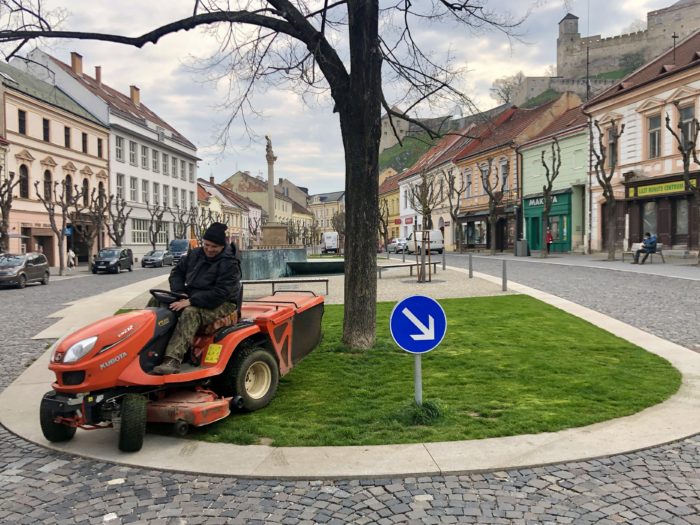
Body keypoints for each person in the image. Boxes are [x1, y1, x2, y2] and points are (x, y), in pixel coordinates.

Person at [152, 222, 241, 375]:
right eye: (207, 245)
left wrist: (190, 301)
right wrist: (180, 292)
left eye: (214, 246)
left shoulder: (230, 264)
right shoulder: (194, 254)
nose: (209, 249)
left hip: (223, 302)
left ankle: (173, 359)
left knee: (190, 313)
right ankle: (147, 349)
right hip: (192, 296)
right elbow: (177, 273)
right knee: (156, 302)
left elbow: (220, 293)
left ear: (222, 246)